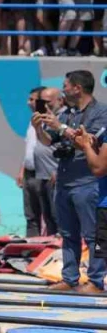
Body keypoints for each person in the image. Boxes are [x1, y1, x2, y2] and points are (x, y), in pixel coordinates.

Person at [34, 71, 107, 291]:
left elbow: (89, 143)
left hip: (87, 183)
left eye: (65, 85)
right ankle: (70, 278)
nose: (63, 89)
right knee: (67, 233)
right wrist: (39, 127)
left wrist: (60, 127)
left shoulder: (100, 113)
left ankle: (95, 280)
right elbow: (49, 141)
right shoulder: (68, 113)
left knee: (92, 234)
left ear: (78, 88)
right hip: (65, 181)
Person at [21, 86, 59, 238]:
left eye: (33, 100)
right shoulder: (34, 121)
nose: (29, 103)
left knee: (53, 216)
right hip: (29, 174)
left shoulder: (55, 121)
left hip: (47, 174)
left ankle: (56, 250)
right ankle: (34, 250)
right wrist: (21, 171)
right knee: (31, 215)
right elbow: (29, 148)